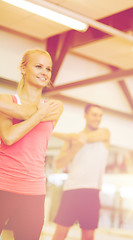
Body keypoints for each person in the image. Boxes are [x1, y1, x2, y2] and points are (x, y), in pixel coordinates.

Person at [0, 48, 63, 240]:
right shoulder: (6, 99)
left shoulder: (55, 106)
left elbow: (27, 114)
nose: (44, 72)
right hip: (2, 185)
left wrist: (36, 112)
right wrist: (40, 114)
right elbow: (9, 137)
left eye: (48, 69)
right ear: (23, 68)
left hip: (33, 192)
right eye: (38, 66)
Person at [52, 103, 110, 240]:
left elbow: (88, 138)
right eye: (94, 115)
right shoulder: (73, 139)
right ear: (85, 115)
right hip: (71, 190)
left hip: (92, 191)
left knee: (88, 235)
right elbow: (59, 163)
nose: (98, 118)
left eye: (100, 115)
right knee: (60, 232)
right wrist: (75, 148)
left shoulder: (105, 133)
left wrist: (68, 136)